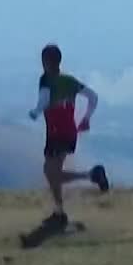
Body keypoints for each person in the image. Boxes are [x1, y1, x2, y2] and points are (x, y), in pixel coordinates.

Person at [28, 43, 109, 228]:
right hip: (69, 131)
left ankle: (90, 176)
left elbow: (44, 99)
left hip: (56, 132)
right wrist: (86, 118)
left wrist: (35, 111)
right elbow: (93, 97)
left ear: (47, 61)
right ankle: (60, 210)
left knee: (52, 172)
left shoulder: (46, 79)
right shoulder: (70, 81)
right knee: (50, 172)